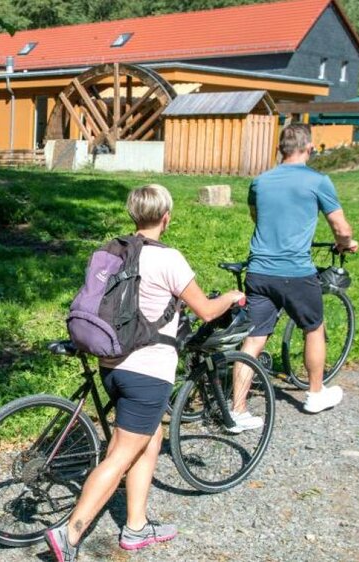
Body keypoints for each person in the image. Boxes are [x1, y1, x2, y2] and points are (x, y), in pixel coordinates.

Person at [45, 184, 245, 561]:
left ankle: (135, 528)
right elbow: (205, 310)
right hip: (147, 373)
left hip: (112, 366)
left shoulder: (113, 250)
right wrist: (231, 298)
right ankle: (69, 533)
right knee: (121, 454)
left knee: (149, 439)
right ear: (166, 217)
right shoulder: (169, 260)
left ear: (133, 214)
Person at [229, 123, 358, 427]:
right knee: (313, 327)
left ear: (280, 149)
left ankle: (237, 410)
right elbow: (341, 228)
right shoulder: (319, 181)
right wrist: (345, 244)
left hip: (259, 270)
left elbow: (256, 216)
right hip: (296, 272)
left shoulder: (259, 182)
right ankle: (315, 393)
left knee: (254, 339)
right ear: (309, 148)